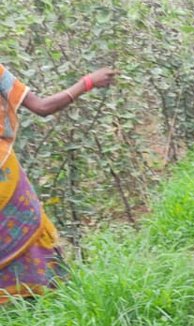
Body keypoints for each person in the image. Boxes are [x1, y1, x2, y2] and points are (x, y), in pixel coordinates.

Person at [0, 63, 116, 303]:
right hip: (5, 178)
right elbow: (42, 107)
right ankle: (53, 302)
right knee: (33, 233)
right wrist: (88, 82)